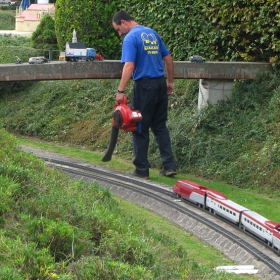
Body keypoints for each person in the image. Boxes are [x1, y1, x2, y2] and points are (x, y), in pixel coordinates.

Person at [112, 10, 176, 179]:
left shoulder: (131, 38)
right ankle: (169, 166)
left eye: (118, 29)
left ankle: (141, 170)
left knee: (139, 127)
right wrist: (170, 82)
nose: (119, 33)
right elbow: (168, 59)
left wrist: (120, 90)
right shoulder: (151, 33)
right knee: (160, 126)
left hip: (144, 86)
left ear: (124, 22)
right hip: (160, 84)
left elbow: (129, 67)